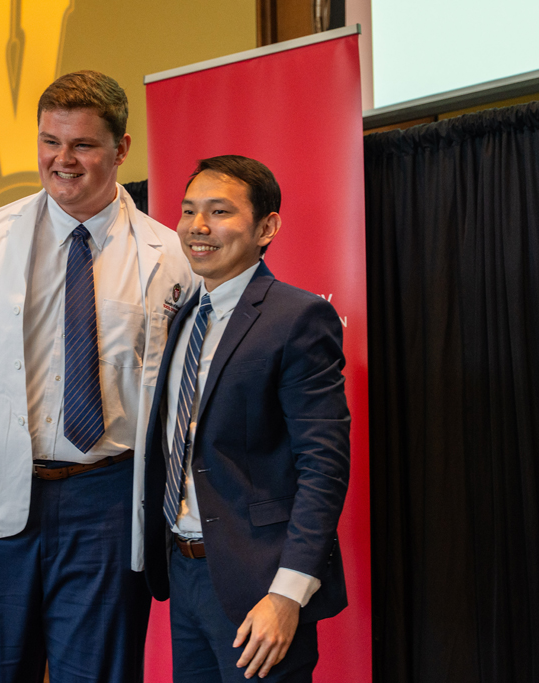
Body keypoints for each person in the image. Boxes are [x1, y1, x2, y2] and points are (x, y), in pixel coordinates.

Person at [0, 70, 196, 683]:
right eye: (49, 141)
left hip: (107, 503)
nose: (63, 160)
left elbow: (189, 397)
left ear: (121, 150)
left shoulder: (169, 258)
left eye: (82, 144)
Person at [143, 155, 351, 682]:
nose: (197, 227)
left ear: (266, 228)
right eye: (188, 211)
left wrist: (287, 594)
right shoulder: (186, 313)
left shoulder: (298, 317)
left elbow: (323, 468)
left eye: (219, 211)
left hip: (260, 583)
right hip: (185, 572)